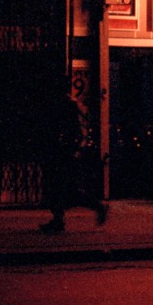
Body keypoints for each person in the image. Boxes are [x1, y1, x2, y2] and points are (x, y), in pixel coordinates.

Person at [39, 93, 109, 234]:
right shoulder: (68, 105)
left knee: (63, 188)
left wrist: (69, 149)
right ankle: (59, 219)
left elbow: (71, 131)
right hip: (65, 153)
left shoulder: (66, 106)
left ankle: (97, 207)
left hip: (64, 154)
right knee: (59, 188)